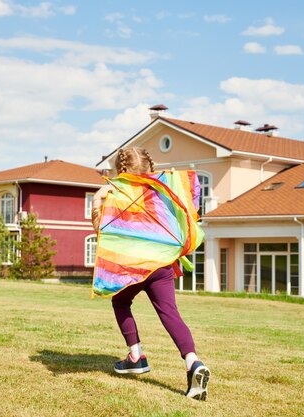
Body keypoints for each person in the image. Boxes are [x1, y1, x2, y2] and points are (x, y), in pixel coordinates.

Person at [91, 147, 211, 401]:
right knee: (170, 313)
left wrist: (98, 198)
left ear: (121, 170)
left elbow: (102, 229)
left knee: (121, 301)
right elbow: (190, 199)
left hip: (134, 266)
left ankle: (136, 356)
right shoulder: (161, 190)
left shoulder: (116, 191)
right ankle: (193, 362)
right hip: (162, 264)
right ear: (148, 167)